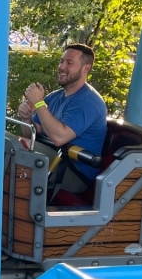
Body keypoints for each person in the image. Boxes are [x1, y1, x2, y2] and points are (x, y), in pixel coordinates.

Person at [17, 43, 107, 193]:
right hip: (55, 157)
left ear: (86, 68)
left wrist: (39, 103)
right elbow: (32, 134)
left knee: (18, 148)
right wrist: (27, 119)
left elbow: (59, 138)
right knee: (9, 144)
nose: (62, 66)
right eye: (61, 61)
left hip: (75, 172)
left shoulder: (88, 102)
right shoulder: (55, 96)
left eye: (69, 63)